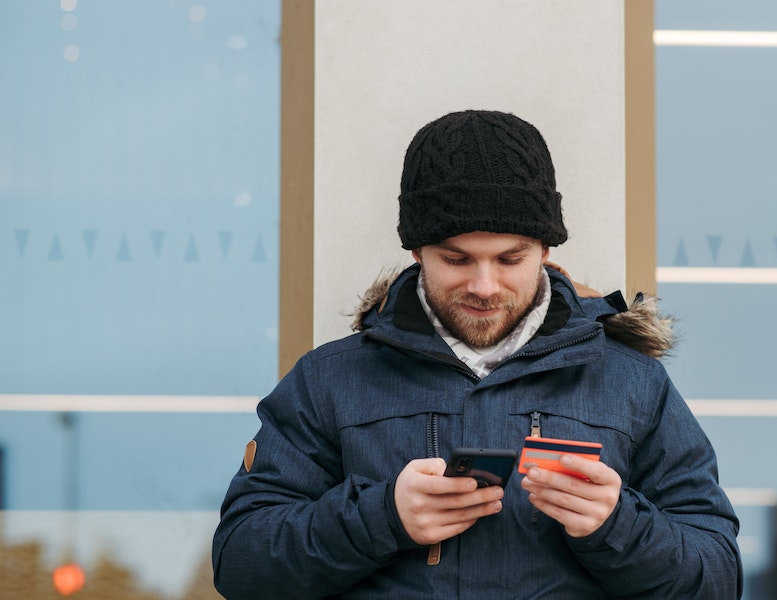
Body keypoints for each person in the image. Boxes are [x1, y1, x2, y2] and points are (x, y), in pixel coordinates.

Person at [212, 109, 742, 598]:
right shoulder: (328, 380)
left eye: (510, 258)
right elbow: (240, 564)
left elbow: (716, 578)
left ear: (546, 250)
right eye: (457, 258)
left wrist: (617, 525)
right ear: (417, 251)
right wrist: (381, 518)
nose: (485, 286)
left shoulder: (633, 384)